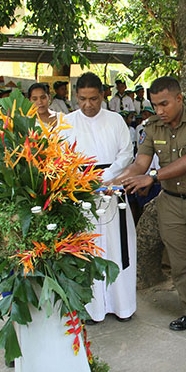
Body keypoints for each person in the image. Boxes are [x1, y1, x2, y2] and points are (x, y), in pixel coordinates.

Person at [114, 76, 186, 341]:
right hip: (171, 203)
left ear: (179, 99)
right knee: (179, 263)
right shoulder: (152, 126)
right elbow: (140, 163)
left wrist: (152, 176)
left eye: (164, 104)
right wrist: (119, 178)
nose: (159, 111)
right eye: (155, 105)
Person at [60, 72, 137, 324]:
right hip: (80, 193)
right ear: (75, 97)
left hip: (112, 190)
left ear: (102, 96)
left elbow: (126, 153)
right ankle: (91, 309)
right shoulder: (66, 122)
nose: (88, 105)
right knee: (88, 250)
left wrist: (105, 178)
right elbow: (60, 159)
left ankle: (122, 306)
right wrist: (84, 182)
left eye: (93, 99)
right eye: (82, 99)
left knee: (116, 248)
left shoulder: (116, 120)